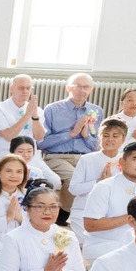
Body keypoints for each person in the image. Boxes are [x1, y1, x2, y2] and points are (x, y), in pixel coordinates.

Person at [77, 142, 136, 264]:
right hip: (106, 247)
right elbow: (90, 225)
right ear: (122, 162)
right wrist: (133, 215)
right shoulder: (105, 187)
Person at [37, 72, 101, 213]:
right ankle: (66, 214)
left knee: (100, 178)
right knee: (74, 178)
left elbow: (96, 145)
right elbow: (42, 143)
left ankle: (92, 213)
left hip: (85, 157)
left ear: (91, 89)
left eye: (86, 87)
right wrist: (71, 134)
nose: (82, 90)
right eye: (78, 86)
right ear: (68, 88)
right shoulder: (52, 109)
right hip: (57, 157)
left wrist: (85, 135)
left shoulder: (96, 111)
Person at [0, 74, 46, 163]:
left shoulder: (37, 110)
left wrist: (35, 117)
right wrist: (27, 114)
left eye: (28, 88)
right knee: (32, 174)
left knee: (54, 178)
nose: (25, 91)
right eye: (21, 88)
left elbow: (39, 137)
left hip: (31, 158)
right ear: (11, 89)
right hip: (6, 155)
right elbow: (9, 136)